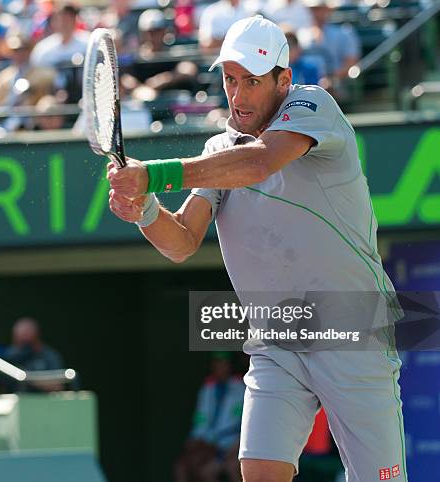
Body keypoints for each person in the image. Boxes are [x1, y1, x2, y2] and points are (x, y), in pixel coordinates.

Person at [107, 15, 406, 482]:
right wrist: (145, 209)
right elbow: (182, 240)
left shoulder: (314, 105)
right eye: (230, 80)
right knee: (259, 473)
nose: (238, 94)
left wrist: (156, 175)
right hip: (277, 337)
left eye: (252, 80)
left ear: (283, 80)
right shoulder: (218, 152)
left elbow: (261, 162)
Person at [175, 352, 245, 482]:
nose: (219, 368)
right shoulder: (208, 388)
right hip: (208, 441)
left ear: (229, 366)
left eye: (223, 364)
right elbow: (201, 419)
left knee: (208, 471)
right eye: (216, 364)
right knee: (182, 466)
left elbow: (243, 424)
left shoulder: (241, 387)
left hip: (231, 443)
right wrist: (195, 439)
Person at [121, 9, 198, 102]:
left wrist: (163, 80)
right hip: (143, 105)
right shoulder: (135, 57)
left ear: (164, 31)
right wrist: (141, 88)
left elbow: (189, 69)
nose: (152, 36)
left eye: (157, 31)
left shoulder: (172, 53)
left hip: (173, 103)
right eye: (148, 32)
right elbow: (125, 78)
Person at [297, 0, 360, 100]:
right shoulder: (300, 35)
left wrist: (331, 80)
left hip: (338, 86)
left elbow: (350, 64)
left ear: (328, 9)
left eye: (319, 9)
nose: (315, 13)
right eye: (312, 9)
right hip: (305, 87)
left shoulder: (344, 33)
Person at [5, 317, 64, 392]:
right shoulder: (10, 355)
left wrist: (26, 376)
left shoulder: (49, 356)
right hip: (16, 400)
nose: (21, 348)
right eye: (18, 342)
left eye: (25, 342)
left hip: (44, 401)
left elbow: (58, 387)